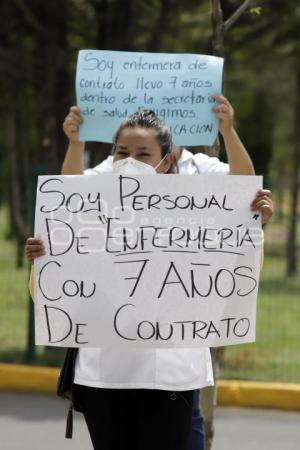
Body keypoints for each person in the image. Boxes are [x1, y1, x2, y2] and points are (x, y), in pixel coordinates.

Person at [25, 95, 273, 450]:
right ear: (112, 157)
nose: (131, 162)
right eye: (122, 153)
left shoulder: (194, 211)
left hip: (171, 374)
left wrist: (249, 225)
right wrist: (45, 255)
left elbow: (235, 231)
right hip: (103, 373)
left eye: (143, 154)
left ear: (166, 160)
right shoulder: (94, 208)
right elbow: (66, 220)